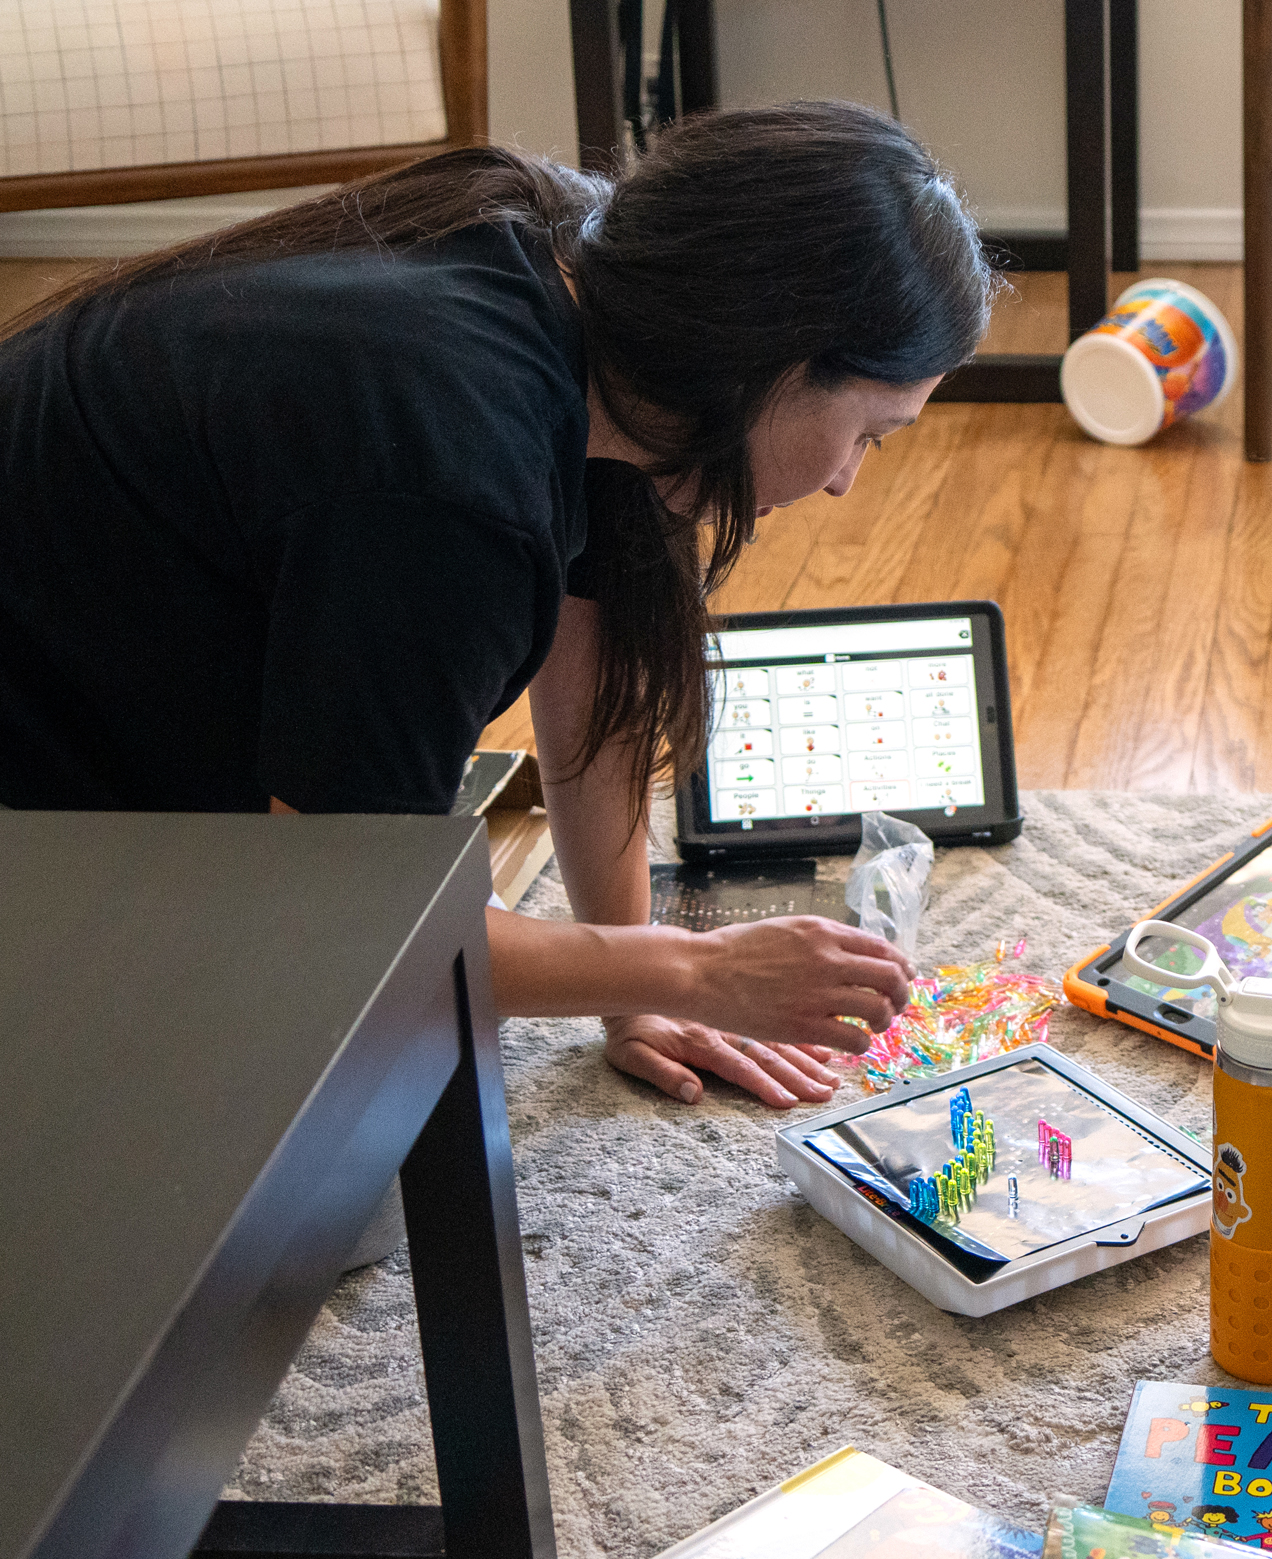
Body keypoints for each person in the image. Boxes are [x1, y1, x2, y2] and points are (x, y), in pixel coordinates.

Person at [0, 102, 993, 1108]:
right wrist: (694, 970)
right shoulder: (450, 479)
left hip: (100, 695)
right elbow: (353, 923)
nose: (845, 482)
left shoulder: (573, 265)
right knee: (345, 1145)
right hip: (39, 831)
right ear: (769, 360)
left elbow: (595, 663)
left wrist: (633, 989)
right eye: (870, 432)